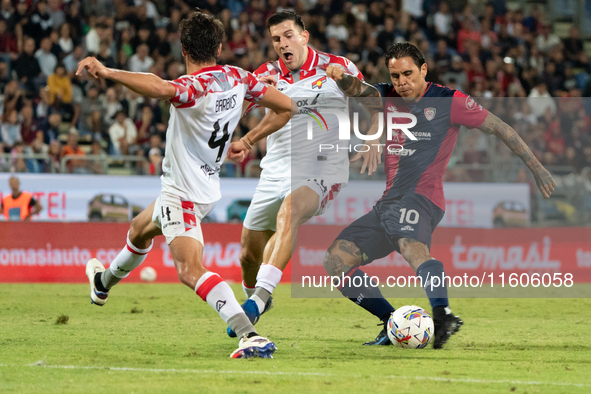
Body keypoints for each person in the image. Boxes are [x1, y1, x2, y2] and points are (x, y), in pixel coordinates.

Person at [78, 11, 294, 359]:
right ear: (220, 47)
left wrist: (107, 71)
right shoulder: (239, 78)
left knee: (190, 270)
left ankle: (248, 333)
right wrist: (249, 140)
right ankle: (101, 285)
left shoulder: (192, 87)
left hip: (184, 193)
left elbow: (161, 87)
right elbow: (286, 107)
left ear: (183, 50)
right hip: (205, 186)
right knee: (139, 229)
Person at [322, 42, 557, 348]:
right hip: (388, 203)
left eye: (408, 74)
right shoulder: (387, 96)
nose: (401, 82)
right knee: (335, 261)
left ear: (423, 70)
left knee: (411, 246)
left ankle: (442, 313)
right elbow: (358, 89)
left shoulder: (450, 101)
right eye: (395, 76)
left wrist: (537, 168)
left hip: (422, 197)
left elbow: (500, 129)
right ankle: (393, 323)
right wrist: (341, 77)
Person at [227, 11, 372, 337]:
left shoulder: (338, 65)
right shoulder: (266, 72)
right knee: (248, 253)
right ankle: (254, 293)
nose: (282, 44)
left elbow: (372, 98)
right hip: (276, 168)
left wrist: (347, 83)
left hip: (324, 168)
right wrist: (254, 92)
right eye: (276, 39)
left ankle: (259, 300)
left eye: (288, 35)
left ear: (304, 36)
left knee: (289, 213)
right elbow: (239, 112)